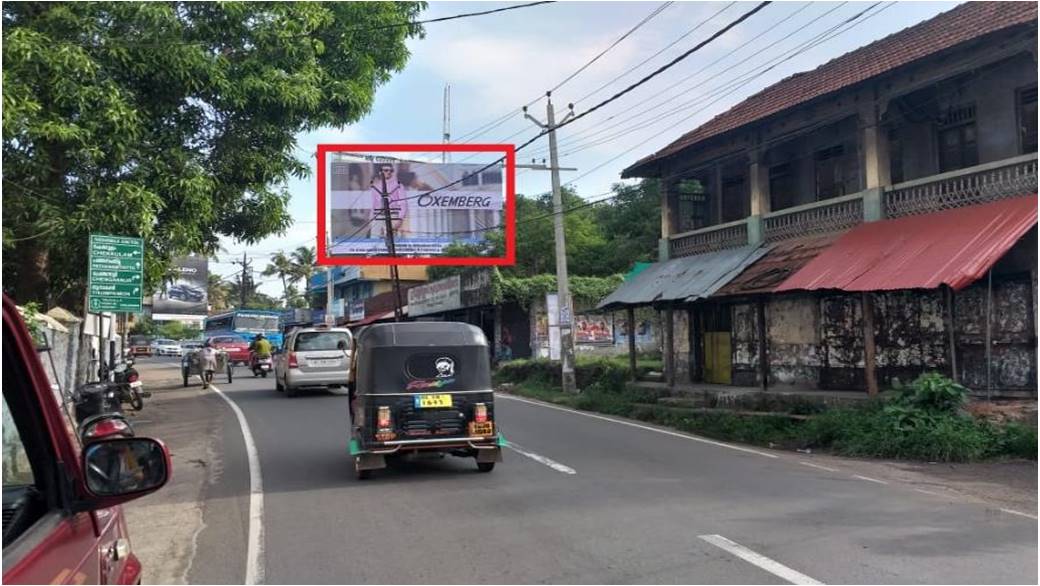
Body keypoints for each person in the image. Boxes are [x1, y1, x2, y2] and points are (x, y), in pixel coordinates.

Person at [368, 164, 407, 240]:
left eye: (391, 171)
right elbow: (373, 204)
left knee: (392, 240)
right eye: (386, 170)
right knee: (374, 238)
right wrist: (371, 218)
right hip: (378, 214)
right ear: (380, 172)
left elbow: (403, 203)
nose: (389, 172)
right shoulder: (375, 186)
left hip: (392, 214)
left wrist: (400, 219)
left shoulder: (398, 185)